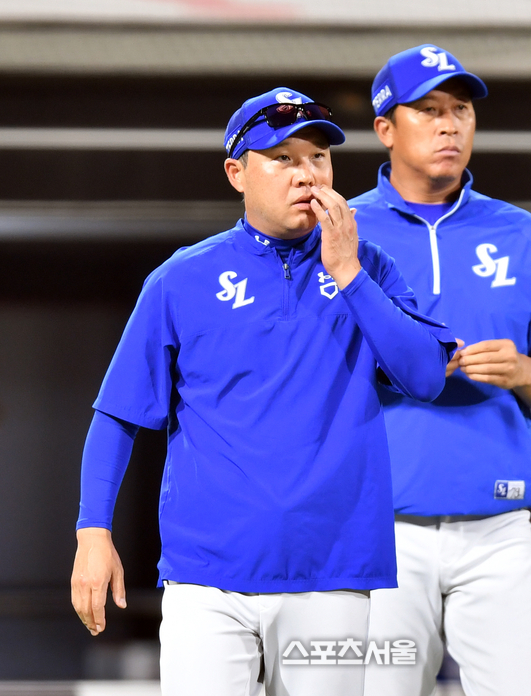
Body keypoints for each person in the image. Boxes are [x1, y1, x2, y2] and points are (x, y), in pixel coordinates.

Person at [70, 86, 455, 696]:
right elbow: (117, 415)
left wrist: (348, 272)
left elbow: (426, 378)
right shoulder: (180, 279)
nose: (307, 174)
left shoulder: (370, 267)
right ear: (237, 173)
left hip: (332, 571)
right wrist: (93, 531)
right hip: (206, 578)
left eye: (319, 158)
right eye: (282, 159)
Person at [350, 45, 531, 696]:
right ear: (385, 129)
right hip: (379, 527)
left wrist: (525, 370)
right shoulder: (343, 231)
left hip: (498, 524)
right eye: (429, 110)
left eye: (461, 110)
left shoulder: (520, 232)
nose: (450, 125)